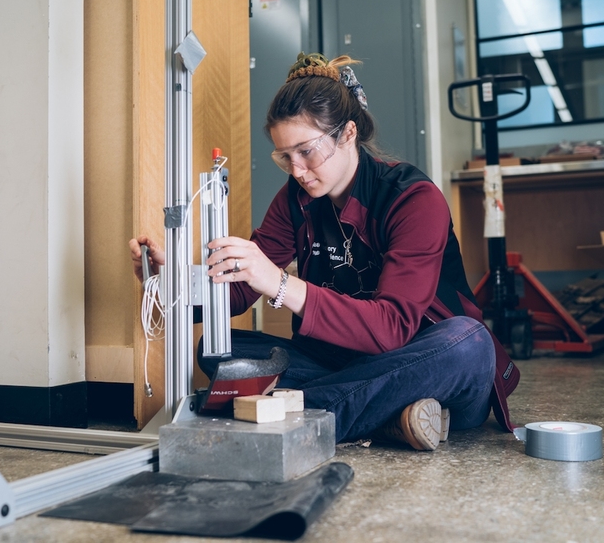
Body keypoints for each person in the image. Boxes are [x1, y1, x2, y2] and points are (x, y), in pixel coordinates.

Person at [130, 52, 519, 450]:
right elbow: (238, 292)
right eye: (285, 156)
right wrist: (172, 281)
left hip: (419, 359)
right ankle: (384, 415)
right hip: (339, 361)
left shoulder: (413, 199)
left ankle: (295, 419)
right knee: (219, 350)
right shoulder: (295, 200)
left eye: (306, 151)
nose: (297, 169)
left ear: (347, 134)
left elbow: (391, 329)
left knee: (468, 342)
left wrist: (281, 284)